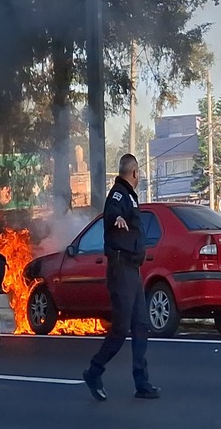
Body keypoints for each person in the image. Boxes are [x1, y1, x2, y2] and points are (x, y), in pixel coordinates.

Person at [82, 154, 160, 401]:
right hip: (121, 271)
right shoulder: (118, 194)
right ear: (135, 173)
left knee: (140, 326)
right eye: (139, 174)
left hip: (133, 272)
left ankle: (142, 383)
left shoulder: (130, 196)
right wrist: (115, 217)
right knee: (121, 329)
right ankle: (94, 371)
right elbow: (111, 212)